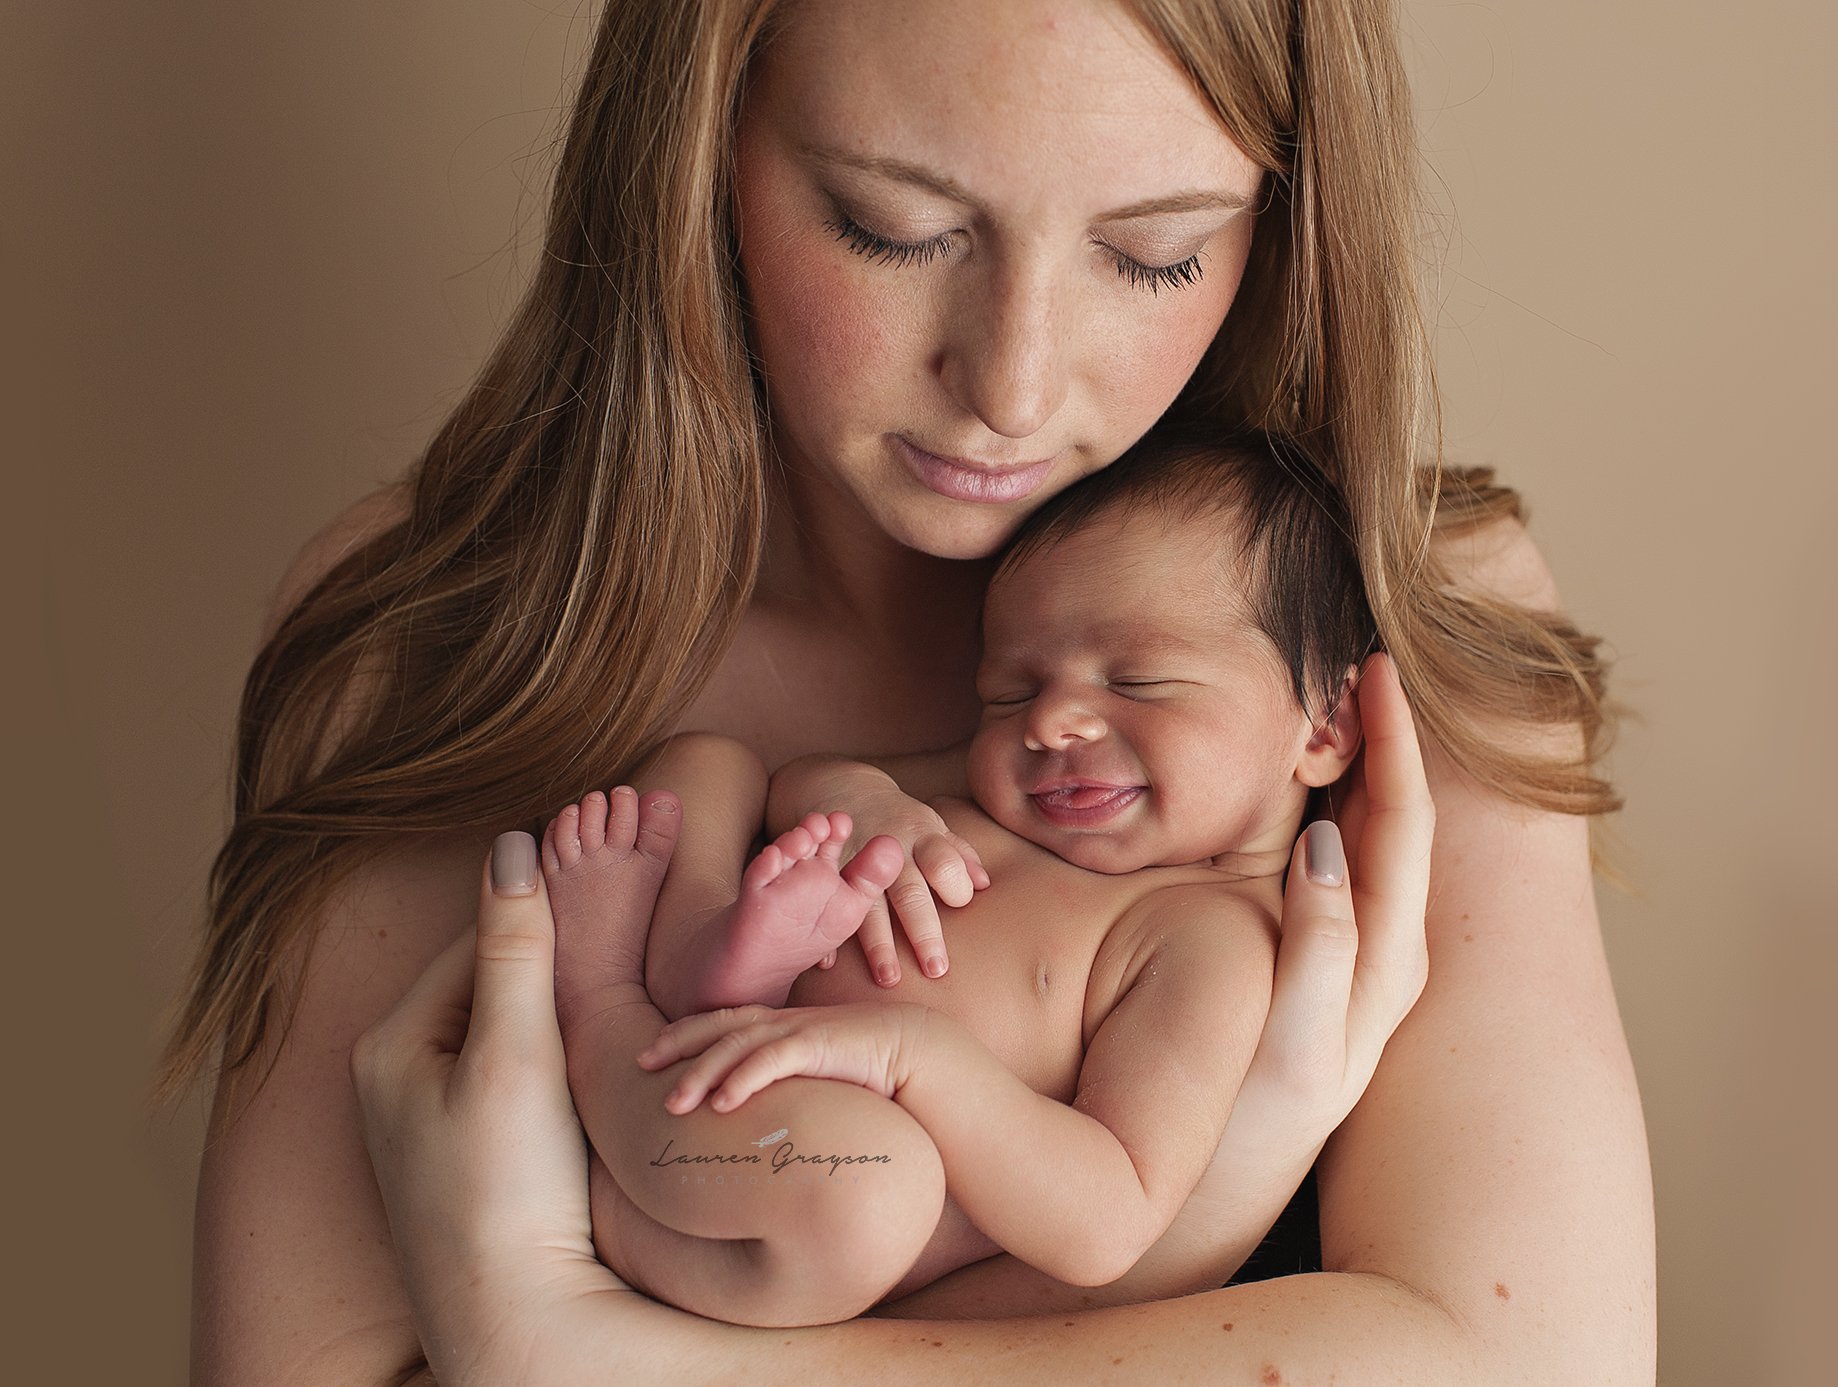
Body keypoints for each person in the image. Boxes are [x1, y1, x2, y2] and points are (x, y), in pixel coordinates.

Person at [165, 1, 1656, 1382]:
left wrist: (579, 1346)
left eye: (1152, 251)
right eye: (892, 226)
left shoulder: (1405, 617)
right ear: (704, 144)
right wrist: (1214, 1208)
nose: (1010, 384)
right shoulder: (450, 633)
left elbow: (1537, 1363)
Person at [543, 432, 1375, 1326]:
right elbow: (799, 782)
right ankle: (703, 961)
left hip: (775, 1164)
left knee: (873, 1193)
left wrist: (910, 1059)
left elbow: (1110, 1213)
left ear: (1323, 727)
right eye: (1009, 691)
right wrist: (861, 802)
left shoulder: (1210, 939)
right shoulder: (1010, 792)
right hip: (725, 1033)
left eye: (1138, 680)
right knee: (708, 764)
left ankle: (599, 1010)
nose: (1051, 721)